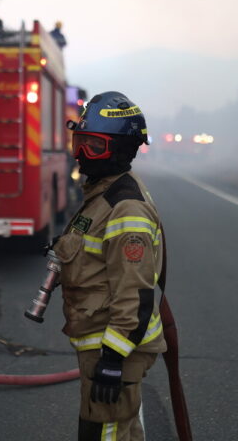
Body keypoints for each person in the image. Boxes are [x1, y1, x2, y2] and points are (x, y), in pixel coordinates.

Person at [53, 91, 166, 441]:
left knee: (105, 434)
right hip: (101, 342)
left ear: (121, 149)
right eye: (80, 143)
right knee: (116, 430)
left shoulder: (125, 209)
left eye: (94, 146)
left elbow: (135, 293)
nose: (82, 155)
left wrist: (113, 360)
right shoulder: (102, 194)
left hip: (116, 346)